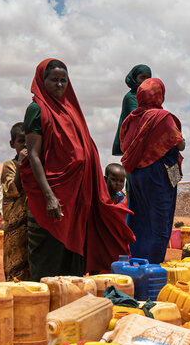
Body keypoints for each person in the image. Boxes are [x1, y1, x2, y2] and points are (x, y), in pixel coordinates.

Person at [21, 58, 133, 280]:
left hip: (77, 200)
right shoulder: (37, 109)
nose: (60, 85)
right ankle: (45, 307)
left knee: (72, 259)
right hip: (52, 198)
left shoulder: (71, 111)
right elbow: (33, 155)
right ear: (42, 81)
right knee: (48, 258)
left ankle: (70, 306)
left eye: (64, 80)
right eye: (54, 80)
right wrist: (49, 196)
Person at [119, 77, 185, 264]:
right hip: (158, 176)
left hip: (135, 175)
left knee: (139, 220)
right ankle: (152, 267)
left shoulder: (131, 119)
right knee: (159, 222)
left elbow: (124, 144)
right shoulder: (162, 118)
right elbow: (179, 144)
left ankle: (136, 263)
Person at [0, 122, 30, 281]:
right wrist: (21, 164)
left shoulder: (36, 165)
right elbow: (14, 189)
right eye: (21, 141)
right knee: (15, 267)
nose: (25, 145)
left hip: (31, 226)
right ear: (12, 144)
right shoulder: (9, 165)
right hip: (15, 228)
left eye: (29, 140)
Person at [111, 64, 152, 156]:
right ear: (134, 78)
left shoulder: (151, 97)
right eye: (142, 77)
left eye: (148, 78)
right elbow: (138, 118)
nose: (145, 81)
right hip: (134, 140)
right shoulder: (131, 97)